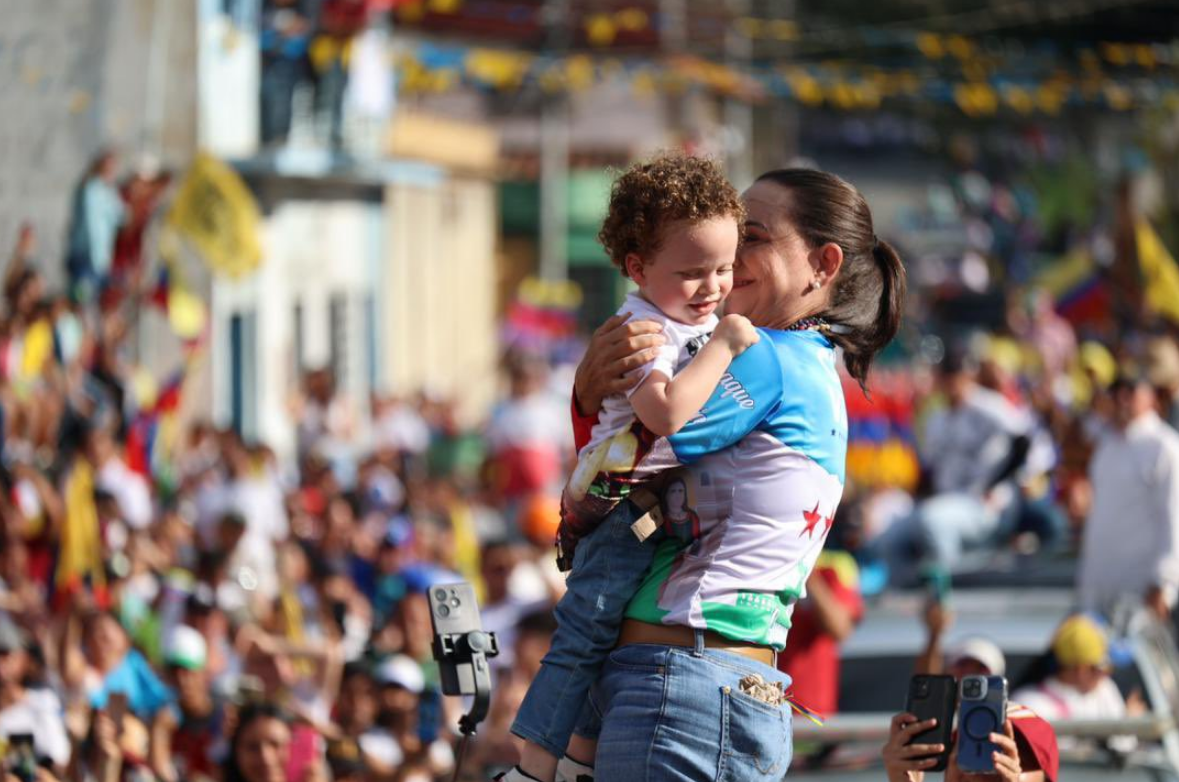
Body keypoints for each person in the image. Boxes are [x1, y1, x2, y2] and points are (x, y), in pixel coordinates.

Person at [514, 167, 906, 782]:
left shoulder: (761, 355)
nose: (728, 256)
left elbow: (630, 460)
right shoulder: (806, 362)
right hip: (713, 686)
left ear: (822, 264)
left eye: (752, 237)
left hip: (685, 686)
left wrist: (590, 396)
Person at [504, 153, 755, 782]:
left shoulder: (677, 321)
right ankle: (533, 766)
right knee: (584, 636)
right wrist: (725, 342)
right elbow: (665, 412)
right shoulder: (644, 332)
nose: (715, 287)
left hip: (652, 512)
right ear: (639, 267)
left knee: (612, 639)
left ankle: (580, 760)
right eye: (694, 273)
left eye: (725, 268)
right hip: (619, 514)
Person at [1077, 371, 1179, 621]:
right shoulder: (1108, 445)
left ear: (1151, 397)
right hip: (1100, 587)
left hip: (1141, 591)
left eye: (1131, 391)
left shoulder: (1164, 447)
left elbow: (1174, 517)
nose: (1122, 399)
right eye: (1116, 392)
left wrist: (1164, 583)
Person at [1011, 614, 1129, 724]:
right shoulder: (1029, 704)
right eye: (1099, 668)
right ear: (1080, 669)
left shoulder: (1105, 690)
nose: (1105, 674)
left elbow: (1125, 743)